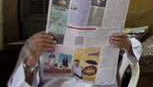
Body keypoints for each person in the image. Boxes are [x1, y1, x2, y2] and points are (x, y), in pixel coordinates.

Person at [8, 31, 142, 87]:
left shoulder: (105, 36)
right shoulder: (36, 42)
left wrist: (127, 45)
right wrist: (32, 59)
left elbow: (136, 45)